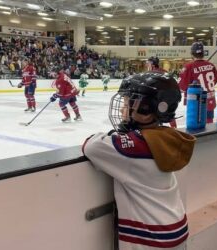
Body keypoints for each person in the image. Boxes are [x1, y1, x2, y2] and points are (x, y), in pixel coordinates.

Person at [83, 72, 196, 250]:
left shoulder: (135, 148)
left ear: (145, 112)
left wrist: (120, 134)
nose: (122, 109)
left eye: (128, 103)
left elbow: (91, 146)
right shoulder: (167, 139)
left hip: (151, 237)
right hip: (176, 228)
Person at [178, 42, 217, 123]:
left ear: (192, 53)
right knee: (209, 124)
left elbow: (182, 86)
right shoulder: (211, 65)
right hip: (210, 101)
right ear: (203, 53)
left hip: (195, 102)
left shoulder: (189, 67)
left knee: (196, 126)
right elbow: (215, 79)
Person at [147, 56, 179, 128]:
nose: (147, 65)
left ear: (152, 64)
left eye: (148, 63)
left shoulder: (151, 73)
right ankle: (174, 129)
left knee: (154, 113)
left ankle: (157, 129)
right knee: (169, 113)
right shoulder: (165, 71)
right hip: (172, 97)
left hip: (161, 97)